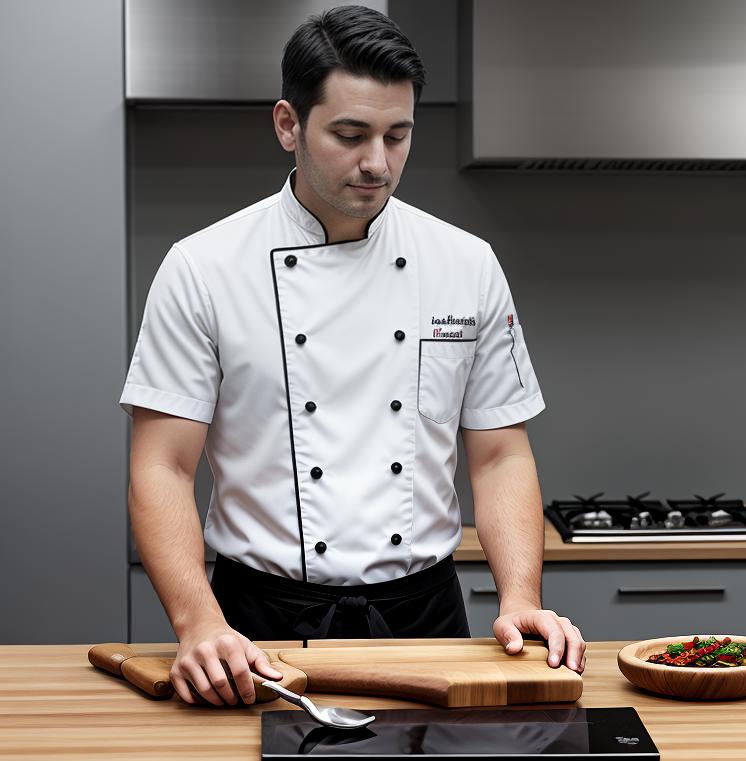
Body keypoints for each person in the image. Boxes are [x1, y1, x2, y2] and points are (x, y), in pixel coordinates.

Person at [122, 6, 583, 707]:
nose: (377, 162)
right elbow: (162, 465)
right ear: (288, 125)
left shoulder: (466, 264)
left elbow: (500, 456)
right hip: (256, 625)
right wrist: (197, 624)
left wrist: (521, 596)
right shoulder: (202, 268)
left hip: (427, 617)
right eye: (350, 134)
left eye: (398, 135)